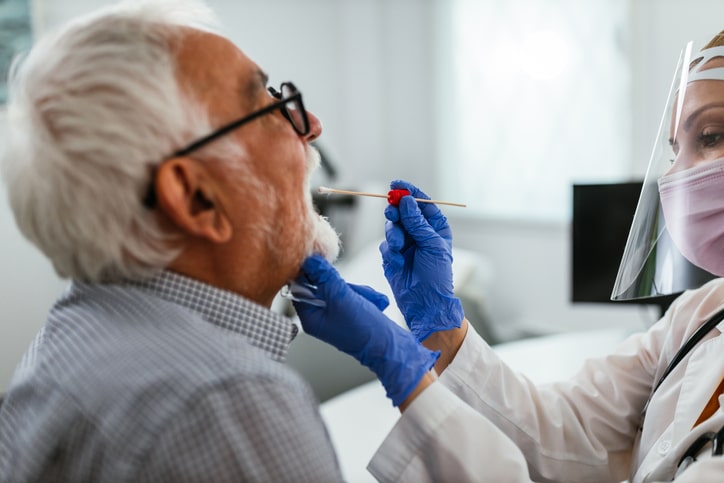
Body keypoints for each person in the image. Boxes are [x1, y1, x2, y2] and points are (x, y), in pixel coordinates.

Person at [0, 0, 443, 480]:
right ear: (196, 199)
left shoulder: (66, 335)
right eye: (270, 108)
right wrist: (408, 370)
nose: (311, 125)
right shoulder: (227, 405)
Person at [293, 32, 724, 483]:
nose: (674, 177)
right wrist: (442, 330)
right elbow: (558, 431)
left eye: (711, 135)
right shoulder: (698, 317)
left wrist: (400, 368)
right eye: (675, 148)